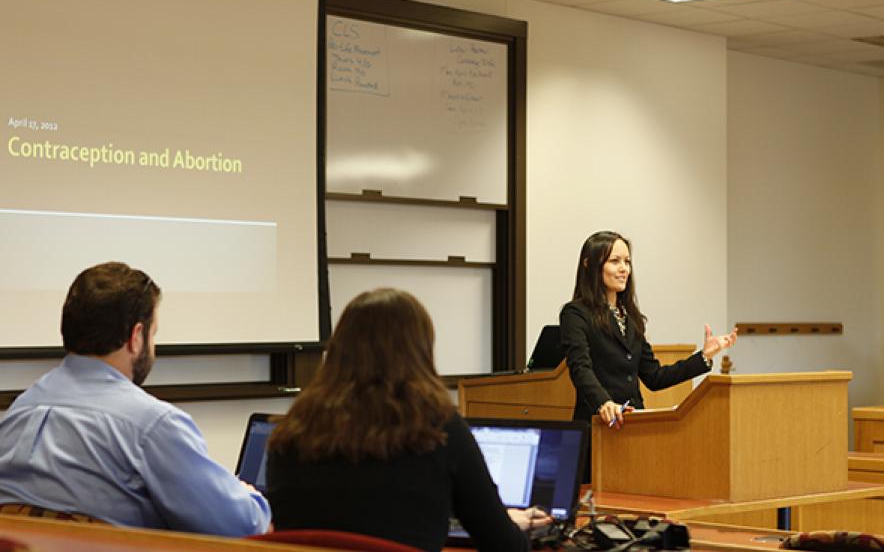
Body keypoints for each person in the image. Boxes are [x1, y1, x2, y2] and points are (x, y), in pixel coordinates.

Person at [266, 288, 551, 551]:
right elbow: (503, 545)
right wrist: (509, 525)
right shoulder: (438, 427)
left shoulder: (293, 430)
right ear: (420, 350)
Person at [0, 262, 271, 536]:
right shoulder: (152, 425)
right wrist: (249, 499)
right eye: (154, 334)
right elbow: (241, 527)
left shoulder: (20, 410)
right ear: (136, 337)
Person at [560, 231, 737, 431]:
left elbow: (654, 376)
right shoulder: (575, 313)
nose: (623, 269)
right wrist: (604, 403)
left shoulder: (630, 317)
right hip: (598, 425)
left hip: (634, 424)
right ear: (589, 265)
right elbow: (580, 368)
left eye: (627, 262)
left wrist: (704, 356)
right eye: (614, 261)